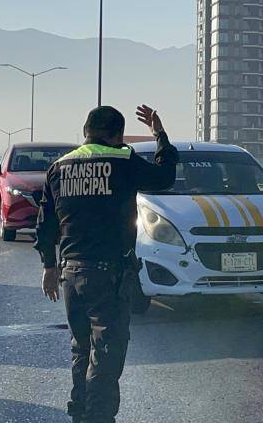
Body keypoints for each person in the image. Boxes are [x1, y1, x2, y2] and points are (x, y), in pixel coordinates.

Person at [34, 104, 178, 423]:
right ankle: (97, 418)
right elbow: (165, 176)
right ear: (117, 135)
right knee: (106, 355)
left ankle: (80, 412)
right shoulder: (123, 160)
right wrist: (160, 135)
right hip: (108, 274)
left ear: (86, 132)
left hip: (71, 273)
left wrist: (49, 266)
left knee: (81, 348)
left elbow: (44, 223)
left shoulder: (59, 167)